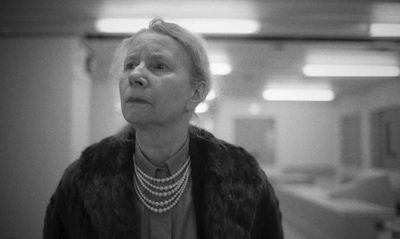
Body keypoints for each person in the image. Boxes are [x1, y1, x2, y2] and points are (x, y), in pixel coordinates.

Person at [43, 18, 284, 239]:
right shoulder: (82, 180)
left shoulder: (245, 182)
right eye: (130, 65)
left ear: (195, 94)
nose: (135, 75)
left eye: (158, 66)